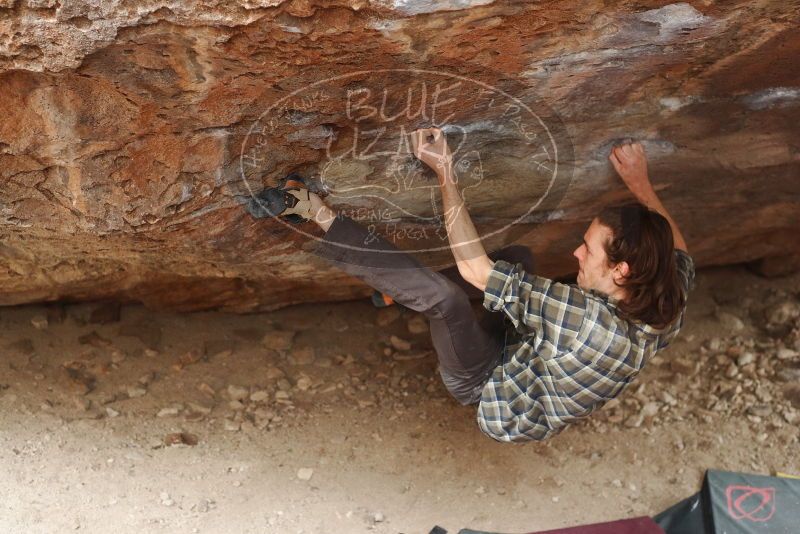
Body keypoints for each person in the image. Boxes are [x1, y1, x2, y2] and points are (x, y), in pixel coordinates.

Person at [248, 128, 695, 442]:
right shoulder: (665, 303)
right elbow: (680, 251)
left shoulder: (581, 320)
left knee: (446, 300)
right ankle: (400, 290)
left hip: (491, 390)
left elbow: (476, 272)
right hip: (529, 352)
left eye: (589, 249)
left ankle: (307, 209)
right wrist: (641, 184)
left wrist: (445, 170)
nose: (577, 253)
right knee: (518, 259)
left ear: (622, 272)